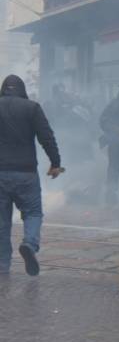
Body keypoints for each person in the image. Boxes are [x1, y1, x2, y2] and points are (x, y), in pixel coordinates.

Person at [0, 75, 64, 276]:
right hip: (26, 172)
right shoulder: (32, 107)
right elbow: (47, 137)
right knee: (33, 213)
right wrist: (55, 163)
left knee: (2, 222)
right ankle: (29, 243)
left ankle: (2, 265)